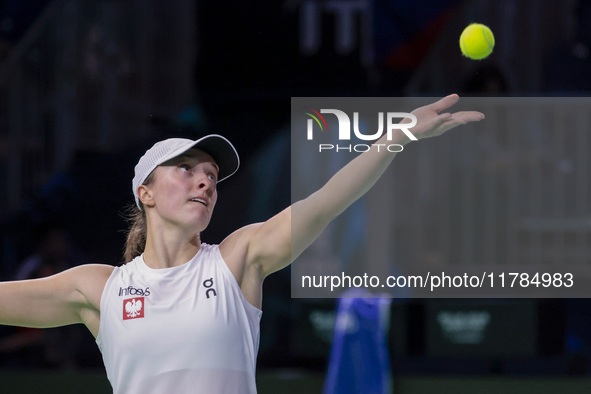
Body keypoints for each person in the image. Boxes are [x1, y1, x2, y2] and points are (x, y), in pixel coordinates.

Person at [0, 94, 483, 393]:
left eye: (211, 176)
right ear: (145, 192)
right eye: (186, 170)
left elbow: (325, 201)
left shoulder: (237, 260)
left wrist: (395, 136)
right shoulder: (99, 288)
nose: (206, 182)